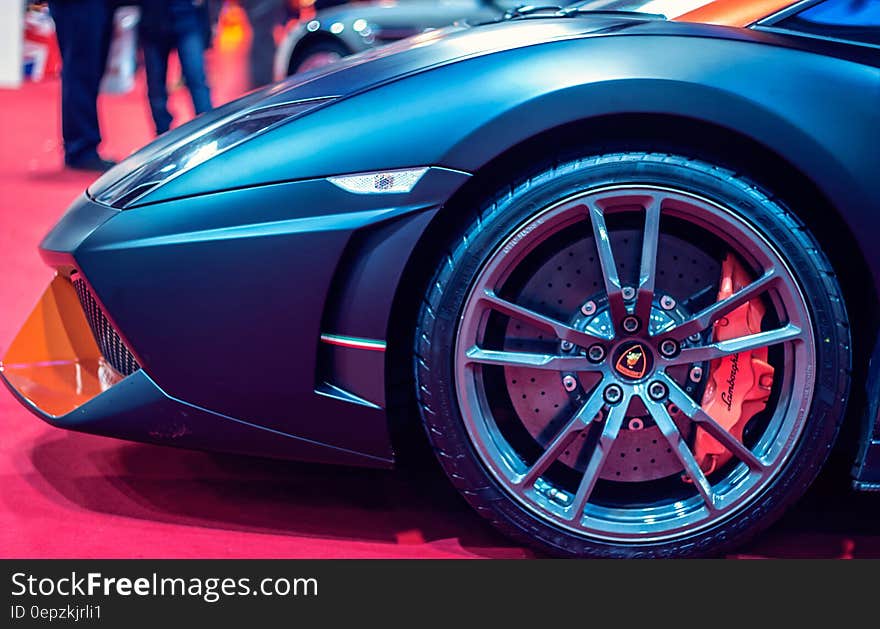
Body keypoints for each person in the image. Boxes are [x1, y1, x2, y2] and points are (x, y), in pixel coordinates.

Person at [47, 0, 117, 171]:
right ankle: (81, 147)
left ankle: (81, 145)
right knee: (81, 71)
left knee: (87, 70)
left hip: (92, 6)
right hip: (79, 6)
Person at [139, 0, 213, 135]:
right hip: (153, 21)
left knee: (196, 78)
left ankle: (208, 128)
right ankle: (162, 133)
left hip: (187, 17)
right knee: (156, 85)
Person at [241, 0, 286, 88]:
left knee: (263, 40)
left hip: (260, 7)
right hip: (261, 7)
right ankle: (264, 82)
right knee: (263, 41)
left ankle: (264, 81)